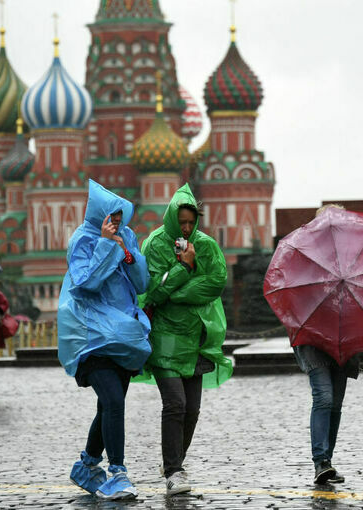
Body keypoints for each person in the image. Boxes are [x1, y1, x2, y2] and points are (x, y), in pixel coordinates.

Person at [134, 183, 232, 496]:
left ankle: (175, 461)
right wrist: (183, 267)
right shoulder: (154, 244)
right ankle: (174, 470)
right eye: (182, 222)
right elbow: (153, 292)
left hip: (197, 337)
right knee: (175, 404)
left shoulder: (205, 244)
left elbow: (215, 283)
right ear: (172, 219)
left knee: (192, 411)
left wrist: (178, 294)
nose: (187, 228)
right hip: (164, 338)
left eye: (191, 222)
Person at [58, 180, 152, 501]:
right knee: (113, 401)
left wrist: (128, 254)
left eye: (119, 216)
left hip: (124, 336)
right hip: (93, 336)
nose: (115, 222)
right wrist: (104, 244)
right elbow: (85, 283)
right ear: (97, 214)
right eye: (110, 216)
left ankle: (86, 465)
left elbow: (140, 284)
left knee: (108, 405)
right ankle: (118, 473)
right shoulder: (82, 240)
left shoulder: (127, 237)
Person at [294, 204, 360, 485]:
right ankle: (320, 460)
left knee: (336, 404)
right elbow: (292, 294)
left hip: (342, 337)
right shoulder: (304, 257)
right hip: (312, 336)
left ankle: (327, 464)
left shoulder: (353, 258)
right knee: (324, 397)